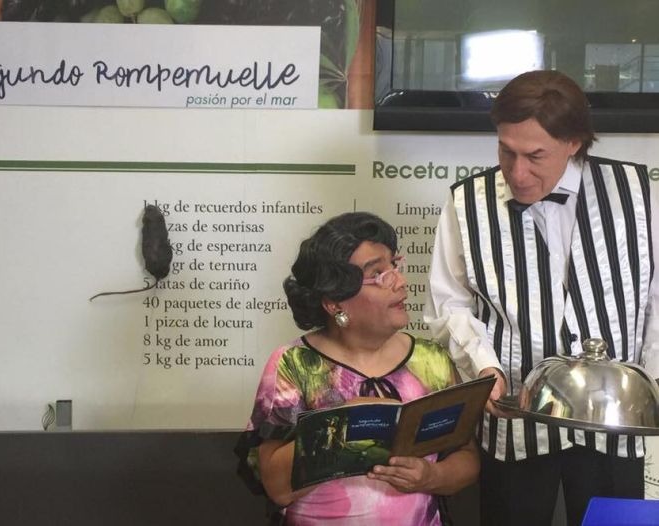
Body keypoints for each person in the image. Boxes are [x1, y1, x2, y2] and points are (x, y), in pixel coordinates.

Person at [425, 69, 659, 526]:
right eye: (505, 151)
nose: (517, 172)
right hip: (515, 416)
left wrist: (651, 386)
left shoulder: (639, 194)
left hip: (615, 422)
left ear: (573, 142)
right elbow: (448, 302)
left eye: (535, 156)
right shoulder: (466, 203)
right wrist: (483, 367)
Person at [236, 211, 480, 525]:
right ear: (335, 303)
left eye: (395, 265)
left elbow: (467, 460)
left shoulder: (430, 360)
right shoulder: (295, 364)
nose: (400, 282)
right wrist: (342, 425)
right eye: (378, 274)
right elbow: (277, 487)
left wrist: (431, 476)